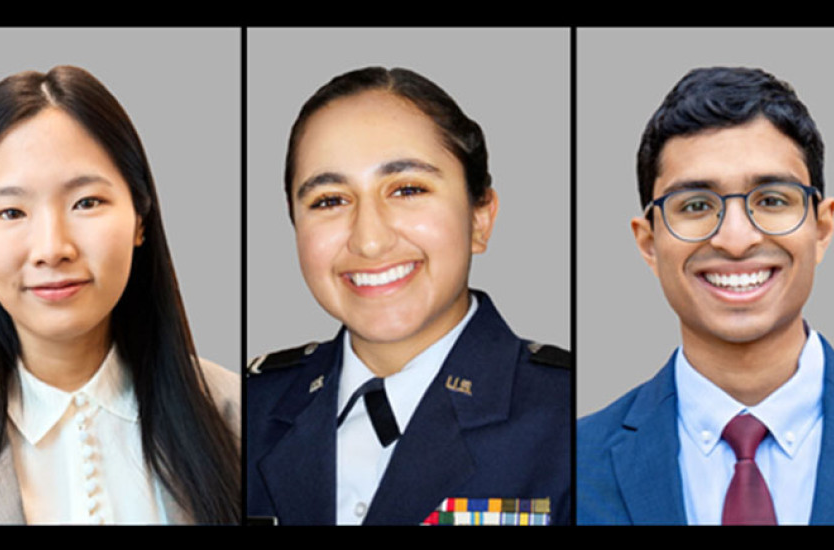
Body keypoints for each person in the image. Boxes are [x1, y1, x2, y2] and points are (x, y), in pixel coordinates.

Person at [246, 66, 570, 526]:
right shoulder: (243, 412)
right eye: (329, 200)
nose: (369, 241)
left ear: (480, 218)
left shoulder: (569, 416)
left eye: (408, 189)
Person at [577, 66, 834, 525]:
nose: (736, 240)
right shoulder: (572, 462)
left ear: (822, 228)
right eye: (696, 206)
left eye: (772, 200)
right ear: (649, 243)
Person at [0, 66, 240, 524]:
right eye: (10, 211)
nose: (52, 249)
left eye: (86, 202)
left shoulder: (237, 417)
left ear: (140, 218)